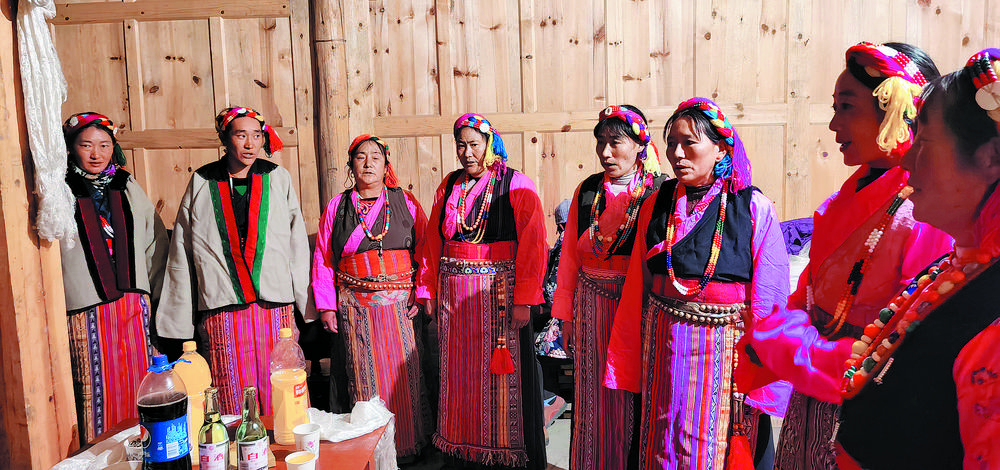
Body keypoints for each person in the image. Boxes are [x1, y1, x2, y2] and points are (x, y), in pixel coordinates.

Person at [739, 42, 954, 469]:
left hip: (866, 401)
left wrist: (789, 346)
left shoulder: (925, 211)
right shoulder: (848, 196)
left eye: (847, 107)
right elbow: (809, 294)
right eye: (834, 107)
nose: (834, 123)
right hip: (813, 395)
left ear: (895, 109)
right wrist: (786, 339)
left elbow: (909, 340)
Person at [604, 97, 790, 469]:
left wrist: (761, 373)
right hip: (663, 351)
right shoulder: (656, 203)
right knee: (661, 438)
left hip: (723, 357)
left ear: (721, 147)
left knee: (712, 448)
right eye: (672, 143)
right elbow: (639, 285)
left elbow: (770, 296)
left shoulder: (752, 206)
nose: (676, 153)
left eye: (689, 142)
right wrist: (627, 356)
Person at [156, 106, 312, 415]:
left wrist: (307, 304)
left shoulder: (277, 178)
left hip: (274, 308)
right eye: (241, 135)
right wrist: (178, 319)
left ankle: (286, 439)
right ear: (225, 139)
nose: (250, 144)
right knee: (231, 389)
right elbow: (182, 250)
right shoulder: (202, 181)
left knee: (282, 384)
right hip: (222, 307)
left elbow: (296, 242)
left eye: (256, 136)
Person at [418, 113, 548, 469]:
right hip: (455, 303)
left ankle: (505, 456)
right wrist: (428, 288)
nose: (467, 153)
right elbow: (432, 242)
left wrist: (525, 300)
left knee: (501, 380)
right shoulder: (450, 185)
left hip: (499, 299)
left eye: (474, 144)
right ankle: (462, 452)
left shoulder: (515, 183)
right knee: (460, 377)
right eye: (461, 145)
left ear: (490, 145)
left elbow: (534, 244)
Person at [551, 105, 663, 469]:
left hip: (640, 305)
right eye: (601, 142)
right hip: (591, 305)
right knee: (593, 392)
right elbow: (570, 257)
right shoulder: (587, 190)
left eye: (616, 142)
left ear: (640, 145)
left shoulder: (659, 191)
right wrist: (566, 316)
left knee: (638, 388)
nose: (605, 152)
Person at [312, 134, 431, 459]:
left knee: (404, 378)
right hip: (355, 311)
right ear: (351, 165)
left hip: (400, 309)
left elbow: (425, 248)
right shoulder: (337, 207)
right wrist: (326, 306)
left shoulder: (405, 202)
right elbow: (323, 258)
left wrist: (421, 292)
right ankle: (370, 453)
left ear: (385, 165)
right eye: (360, 157)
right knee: (363, 379)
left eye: (375, 157)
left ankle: (408, 448)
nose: (368, 163)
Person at [60, 112, 168, 444]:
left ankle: (145, 451)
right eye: (86, 145)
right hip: (86, 309)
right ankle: (100, 456)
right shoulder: (59, 187)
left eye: (104, 145)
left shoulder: (126, 184)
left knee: (141, 383)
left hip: (134, 305)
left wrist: (156, 296)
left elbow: (153, 241)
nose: (97, 154)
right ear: (71, 147)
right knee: (95, 389)